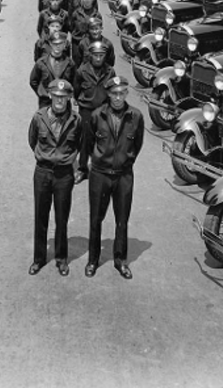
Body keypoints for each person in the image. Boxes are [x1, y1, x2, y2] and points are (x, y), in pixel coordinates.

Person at [77, 76, 144, 280]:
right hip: (100, 175)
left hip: (123, 176)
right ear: (108, 94)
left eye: (121, 93)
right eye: (114, 93)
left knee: (122, 220)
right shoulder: (97, 116)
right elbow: (87, 144)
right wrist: (96, 161)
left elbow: (137, 144)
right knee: (96, 219)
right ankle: (93, 260)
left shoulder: (136, 116)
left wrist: (126, 160)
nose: (117, 97)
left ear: (126, 93)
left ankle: (120, 261)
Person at [28, 79, 83, 277]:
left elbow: (80, 142)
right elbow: (32, 140)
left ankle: (61, 259)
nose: (60, 100)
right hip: (42, 172)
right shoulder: (39, 117)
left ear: (69, 98)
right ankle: (39, 258)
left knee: (62, 218)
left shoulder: (76, 120)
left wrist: (70, 163)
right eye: (56, 96)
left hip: (63, 174)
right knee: (40, 216)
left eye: (64, 97)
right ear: (50, 95)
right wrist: (46, 156)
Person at [73, 40, 116, 169]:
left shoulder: (110, 72)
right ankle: (82, 168)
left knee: (103, 138)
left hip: (103, 111)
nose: (98, 58)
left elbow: (113, 91)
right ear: (90, 55)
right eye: (95, 55)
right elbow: (76, 89)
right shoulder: (82, 71)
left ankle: (99, 166)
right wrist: (80, 101)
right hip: (86, 110)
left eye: (101, 55)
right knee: (85, 139)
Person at [30, 32, 76, 108]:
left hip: (63, 100)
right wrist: (42, 93)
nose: (57, 46)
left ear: (64, 45)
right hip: (46, 101)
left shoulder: (70, 63)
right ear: (50, 44)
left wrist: (69, 94)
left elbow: (75, 82)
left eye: (60, 44)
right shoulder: (41, 63)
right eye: (55, 44)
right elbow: (33, 81)